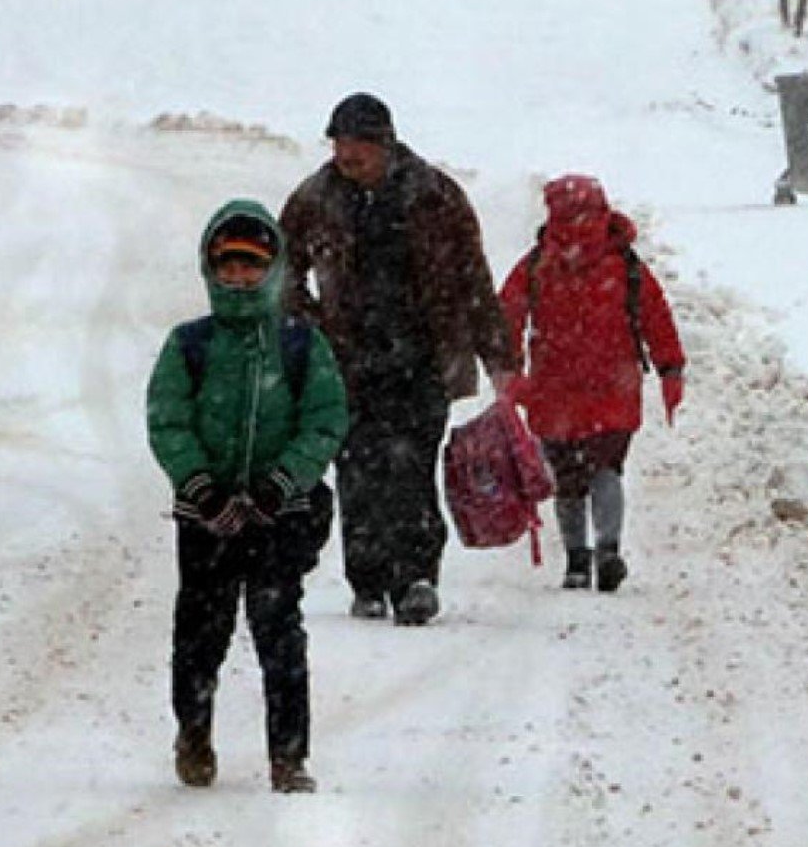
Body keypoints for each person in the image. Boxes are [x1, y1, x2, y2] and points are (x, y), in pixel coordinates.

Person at [279, 92, 518, 626]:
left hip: (422, 359)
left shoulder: (436, 196)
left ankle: (415, 578)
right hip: (346, 363)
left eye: (356, 146)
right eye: (338, 144)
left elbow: (473, 279)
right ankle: (367, 579)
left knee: (411, 469)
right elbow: (281, 274)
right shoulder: (315, 198)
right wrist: (306, 329)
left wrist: (498, 356)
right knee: (358, 469)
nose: (345, 156)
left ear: (384, 143)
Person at [146, 200, 348, 793]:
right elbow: (168, 421)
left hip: (276, 517)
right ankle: (194, 733)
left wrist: (281, 482)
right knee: (199, 632)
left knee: (278, 630)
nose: (239, 278)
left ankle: (288, 756)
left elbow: (325, 419)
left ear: (275, 270)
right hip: (204, 518)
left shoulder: (301, 346)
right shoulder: (188, 344)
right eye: (228, 266)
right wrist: (200, 486)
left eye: (251, 267)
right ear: (210, 269)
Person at [498, 174, 686, 592]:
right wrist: (670, 369)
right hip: (612, 387)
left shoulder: (537, 265)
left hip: (555, 388)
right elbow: (657, 319)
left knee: (567, 479)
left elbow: (506, 316)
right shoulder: (625, 265)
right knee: (606, 469)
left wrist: (508, 369)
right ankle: (608, 549)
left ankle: (577, 559)